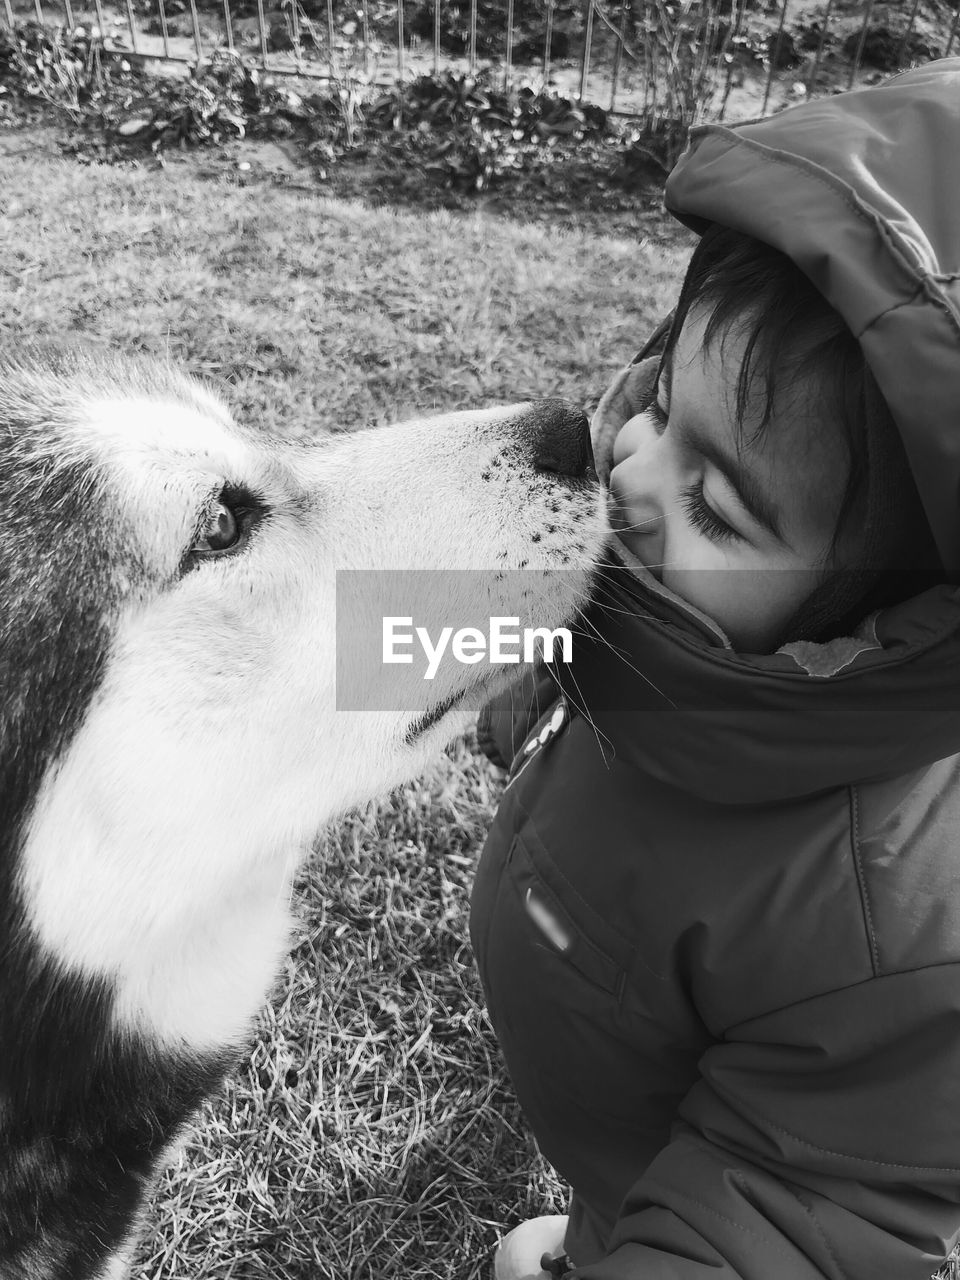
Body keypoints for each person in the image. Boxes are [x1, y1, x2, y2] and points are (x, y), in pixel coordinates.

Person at [472, 57, 960, 1280]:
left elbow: (787, 1211)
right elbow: (406, 642)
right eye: (663, 406)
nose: (626, 480)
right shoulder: (679, 613)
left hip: (688, 1149)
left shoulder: (890, 936)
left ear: (887, 626)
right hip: (618, 1075)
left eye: (718, 503)